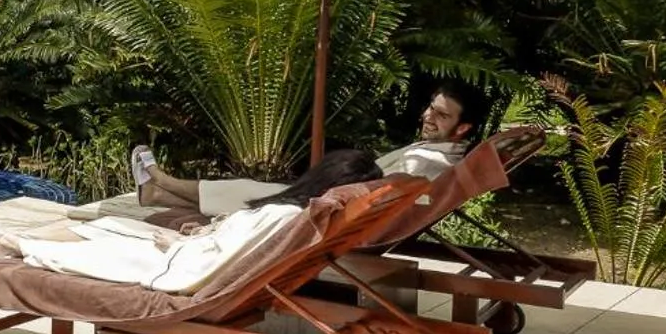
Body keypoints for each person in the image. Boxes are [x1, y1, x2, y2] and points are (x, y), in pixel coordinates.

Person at [0, 150, 384, 293]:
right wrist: (203, 234)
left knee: (113, 245)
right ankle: (23, 242)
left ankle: (18, 246)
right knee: (112, 230)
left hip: (191, 269)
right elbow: (237, 248)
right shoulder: (298, 216)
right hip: (206, 257)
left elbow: (224, 257)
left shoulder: (281, 214)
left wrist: (184, 245)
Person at [131, 79, 489, 217]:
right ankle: (156, 193)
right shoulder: (441, 153)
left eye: (441, 115)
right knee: (250, 192)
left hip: (335, 212)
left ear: (464, 127)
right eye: (431, 107)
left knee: (249, 195)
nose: (428, 116)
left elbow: (382, 197)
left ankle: (161, 180)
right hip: (338, 201)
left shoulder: (426, 163)